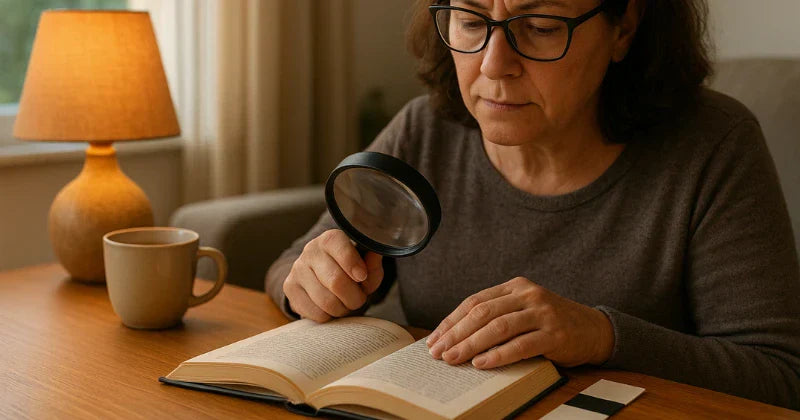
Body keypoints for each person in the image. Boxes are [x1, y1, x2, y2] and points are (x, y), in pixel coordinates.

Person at [266, 0, 800, 409]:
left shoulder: (713, 145)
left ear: (625, 27)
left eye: (541, 27)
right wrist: (315, 276)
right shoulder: (426, 130)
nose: (495, 65)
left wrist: (601, 335)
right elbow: (291, 266)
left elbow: (779, 375)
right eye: (471, 21)